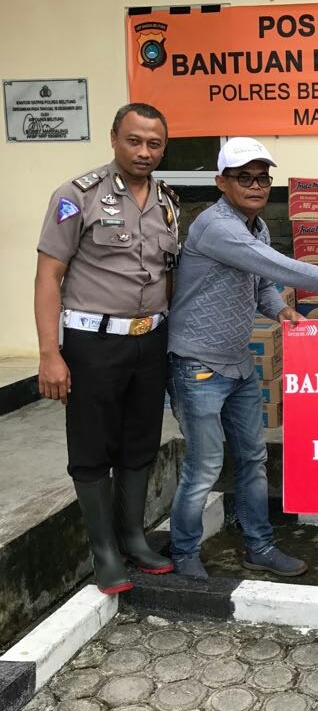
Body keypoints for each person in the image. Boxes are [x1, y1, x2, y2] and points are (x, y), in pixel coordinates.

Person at [167, 137, 318, 580]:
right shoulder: (216, 226)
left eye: (262, 177)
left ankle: (260, 545)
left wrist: (283, 310)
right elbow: (279, 268)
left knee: (253, 458)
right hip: (197, 364)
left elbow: (261, 283)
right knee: (205, 465)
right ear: (220, 182)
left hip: (238, 363)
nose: (255, 185)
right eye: (243, 177)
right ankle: (184, 551)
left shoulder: (255, 227)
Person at [34, 103, 179, 594]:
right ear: (115, 138)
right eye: (134, 140)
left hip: (149, 340)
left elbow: (169, 277)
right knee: (93, 444)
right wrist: (50, 354)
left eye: (154, 143)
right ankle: (104, 552)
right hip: (92, 342)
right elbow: (48, 277)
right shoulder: (76, 196)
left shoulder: (167, 202)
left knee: (140, 441)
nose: (144, 151)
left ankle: (134, 538)